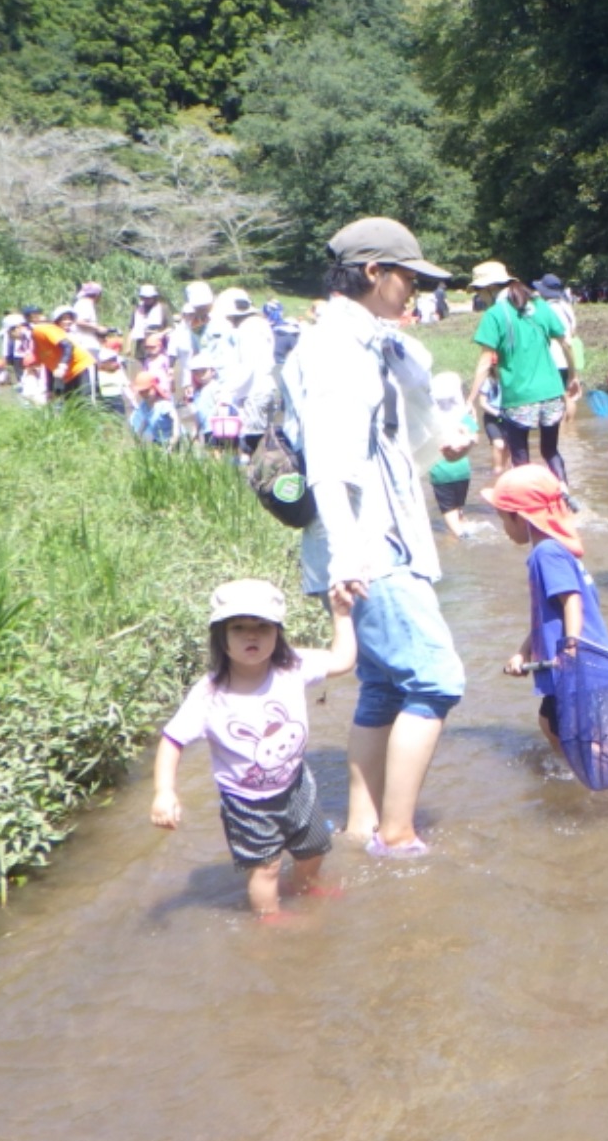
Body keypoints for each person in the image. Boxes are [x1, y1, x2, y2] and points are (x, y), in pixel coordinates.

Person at [284, 216, 468, 859]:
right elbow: (331, 466)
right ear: (373, 272)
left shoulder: (371, 345)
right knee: (438, 678)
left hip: (383, 540)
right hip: (368, 549)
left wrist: (437, 441)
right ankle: (397, 834)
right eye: (409, 277)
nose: (414, 290)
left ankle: (362, 827)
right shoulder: (336, 350)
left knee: (387, 686)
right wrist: (349, 556)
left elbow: (390, 457)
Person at [149, 578, 357, 920]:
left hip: (296, 786)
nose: (251, 635)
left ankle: (304, 886)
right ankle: (270, 917)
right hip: (246, 802)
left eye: (262, 627)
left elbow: (342, 660)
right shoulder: (210, 694)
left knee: (314, 848)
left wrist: (342, 615)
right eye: (239, 627)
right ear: (221, 637)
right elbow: (173, 740)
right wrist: (164, 792)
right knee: (266, 867)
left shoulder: (291, 667)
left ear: (277, 633)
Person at [484, 463, 608, 758]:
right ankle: (579, 772)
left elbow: (572, 601)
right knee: (551, 723)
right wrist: (524, 651)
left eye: (503, 519)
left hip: (577, 662)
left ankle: (602, 781)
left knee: (576, 734)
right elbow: (548, 614)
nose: (503, 528)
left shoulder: (546, 554)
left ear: (521, 518)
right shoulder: (556, 549)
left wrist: (570, 647)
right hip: (584, 659)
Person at [466, 262, 579, 483]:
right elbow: (566, 343)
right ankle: (564, 498)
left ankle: (527, 512)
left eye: (479, 291)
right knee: (550, 452)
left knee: (521, 458)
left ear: (490, 288)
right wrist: (573, 377)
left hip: (519, 397)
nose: (480, 296)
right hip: (551, 393)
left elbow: (485, 362)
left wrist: (470, 399)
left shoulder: (495, 314)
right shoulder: (539, 305)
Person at [216, 288, 277, 455]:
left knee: (253, 443)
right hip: (266, 388)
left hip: (254, 392)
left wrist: (226, 392)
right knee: (267, 440)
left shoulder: (247, 330)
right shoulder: (261, 324)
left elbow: (246, 367)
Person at [426, 372, 478, 537]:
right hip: (463, 471)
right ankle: (465, 529)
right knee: (459, 509)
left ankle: (461, 538)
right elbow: (475, 437)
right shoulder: (462, 416)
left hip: (441, 472)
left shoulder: (429, 419)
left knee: (449, 511)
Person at [533, 274, 581, 423]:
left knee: (556, 399)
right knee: (568, 395)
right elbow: (572, 331)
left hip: (553, 358)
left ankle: (561, 432)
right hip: (569, 357)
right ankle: (570, 429)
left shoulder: (546, 309)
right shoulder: (566, 306)